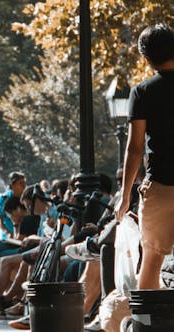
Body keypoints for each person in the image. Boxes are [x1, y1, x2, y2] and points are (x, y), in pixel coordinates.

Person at [116, 23, 174, 290]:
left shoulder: (142, 92)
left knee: (151, 259)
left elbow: (135, 148)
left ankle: (148, 325)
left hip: (161, 186)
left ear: (146, 57)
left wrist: (125, 194)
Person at [0, 172, 26, 240]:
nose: (24, 186)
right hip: (7, 238)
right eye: (20, 183)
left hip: (23, 237)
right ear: (12, 185)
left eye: (24, 183)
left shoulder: (26, 199)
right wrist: (7, 233)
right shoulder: (3, 199)